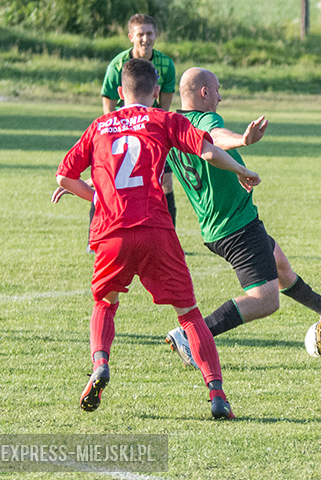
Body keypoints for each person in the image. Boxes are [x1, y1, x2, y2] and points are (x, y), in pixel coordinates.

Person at [53, 58, 260, 418]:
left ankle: (100, 363)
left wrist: (98, 196)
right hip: (155, 228)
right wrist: (242, 168)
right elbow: (209, 150)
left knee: (105, 303)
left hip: (111, 232)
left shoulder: (100, 125)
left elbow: (64, 178)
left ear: (120, 92)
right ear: (156, 94)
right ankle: (217, 394)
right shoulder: (164, 119)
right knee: (189, 315)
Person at [162, 68, 321, 369]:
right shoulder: (205, 120)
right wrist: (243, 140)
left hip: (217, 227)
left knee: (280, 265)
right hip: (236, 225)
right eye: (217, 90)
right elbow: (216, 139)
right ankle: (191, 335)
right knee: (266, 299)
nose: (220, 97)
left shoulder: (171, 127)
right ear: (204, 93)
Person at [99, 14, 178, 232]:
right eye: (140, 34)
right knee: (106, 179)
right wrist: (112, 134)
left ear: (156, 35)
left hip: (151, 132)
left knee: (166, 183)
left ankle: (168, 233)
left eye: (149, 33)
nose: (145, 39)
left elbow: (164, 108)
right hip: (122, 133)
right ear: (131, 37)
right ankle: (95, 234)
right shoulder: (117, 65)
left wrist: (158, 134)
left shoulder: (166, 65)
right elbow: (108, 104)